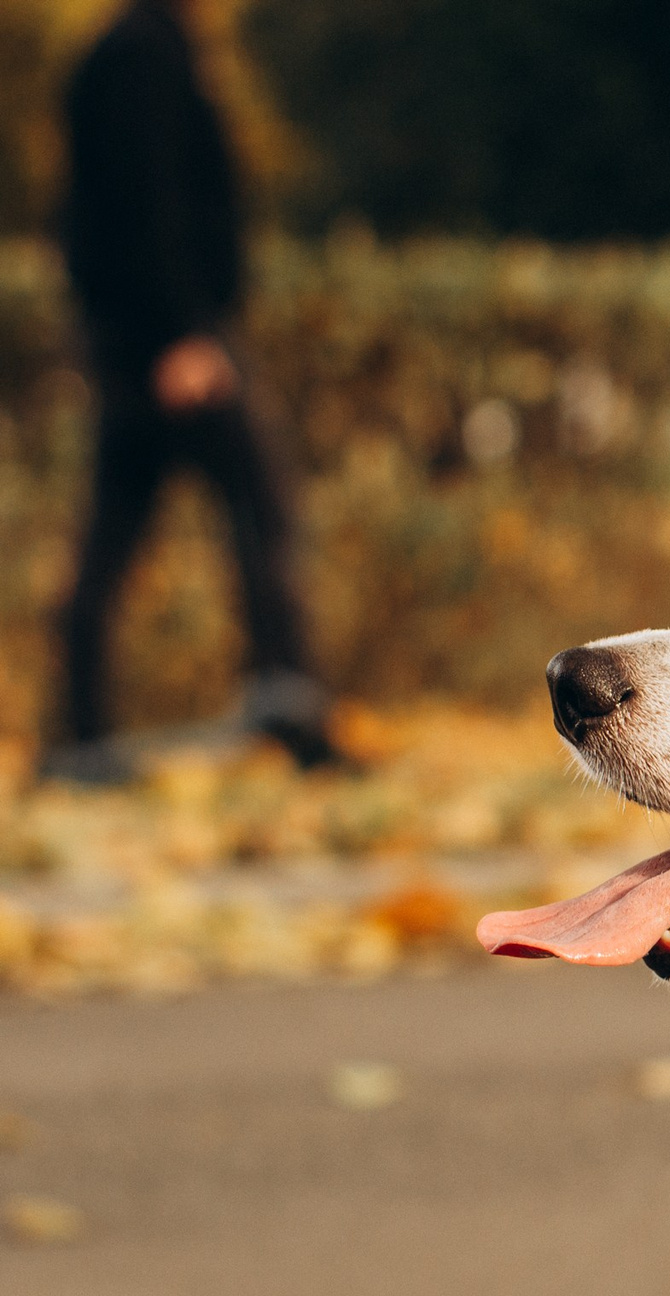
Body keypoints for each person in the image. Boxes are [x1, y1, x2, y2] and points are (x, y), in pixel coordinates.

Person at [47, 0, 338, 783]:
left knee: (115, 536)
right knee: (260, 511)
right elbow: (143, 204)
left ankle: (77, 740)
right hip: (172, 343)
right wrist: (180, 332)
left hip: (139, 341)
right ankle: (291, 708)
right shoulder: (145, 54)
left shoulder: (130, 49)